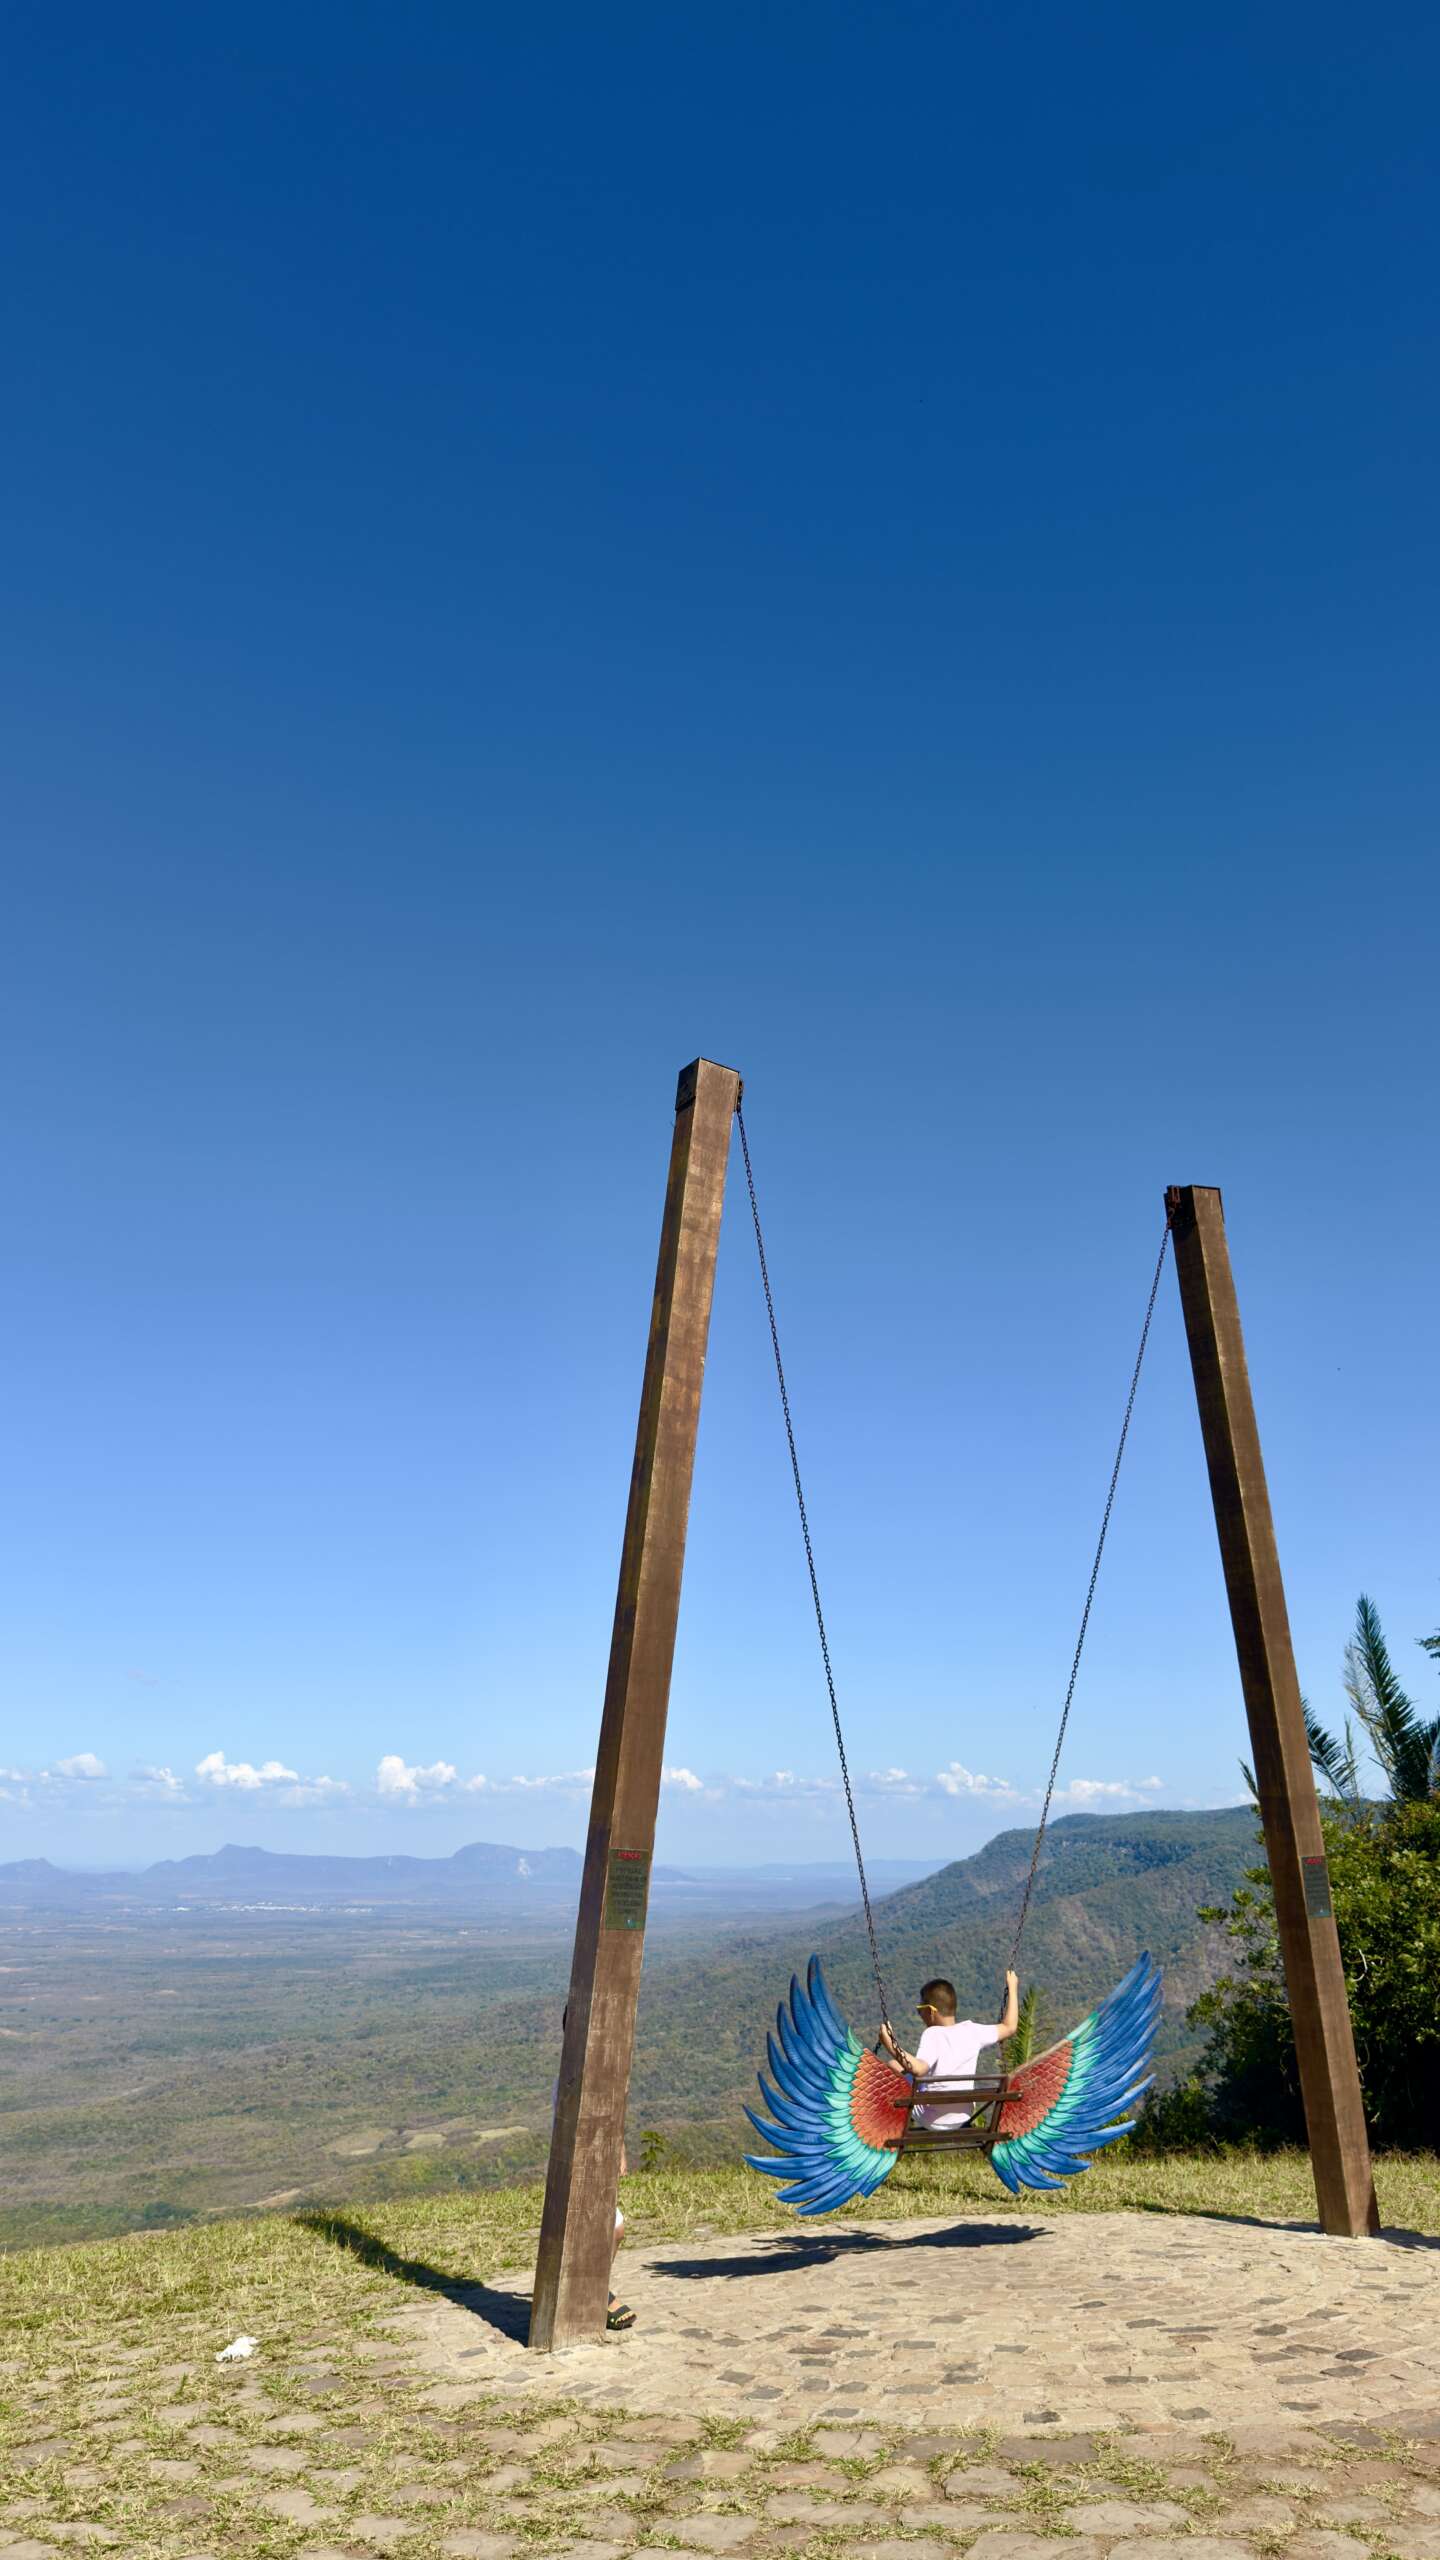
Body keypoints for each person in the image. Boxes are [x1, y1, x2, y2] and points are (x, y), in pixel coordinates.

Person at [556, 2008, 634, 2330]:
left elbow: (611, 2111)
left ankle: (595, 2288)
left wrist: (619, 2149)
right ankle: (596, 2293)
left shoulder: (602, 2064)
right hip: (580, 2163)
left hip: (597, 2159)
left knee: (614, 2229)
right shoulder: (574, 2071)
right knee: (608, 2228)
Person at [878, 1971, 1020, 2127]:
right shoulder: (973, 2031)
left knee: (892, 2065)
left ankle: (886, 2124)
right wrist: (1013, 1987)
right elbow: (1010, 2027)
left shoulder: (933, 2034)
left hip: (930, 2118)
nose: (920, 2015)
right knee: (902, 2067)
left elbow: (919, 2069)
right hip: (963, 2116)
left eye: (920, 2010)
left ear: (931, 2011)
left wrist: (890, 2044)